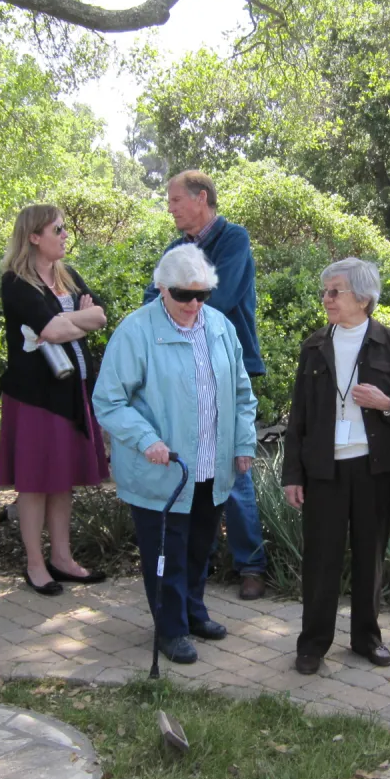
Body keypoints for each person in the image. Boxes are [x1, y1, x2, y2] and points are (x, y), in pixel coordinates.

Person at [95, 245, 258, 664]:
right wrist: (145, 439)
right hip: (163, 468)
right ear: (162, 288)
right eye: (184, 295)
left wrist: (242, 443)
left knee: (200, 546)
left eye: (202, 294)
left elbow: (242, 393)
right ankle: (170, 629)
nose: (194, 304)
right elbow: (109, 400)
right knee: (166, 552)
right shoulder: (136, 331)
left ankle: (193, 613)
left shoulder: (220, 327)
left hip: (212, 464)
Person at [282, 259, 390, 674]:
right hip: (324, 470)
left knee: (370, 557)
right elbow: (299, 417)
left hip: (374, 469)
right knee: (320, 560)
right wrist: (292, 475)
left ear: (363, 299)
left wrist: (387, 404)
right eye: (325, 291)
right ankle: (312, 644)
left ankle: (367, 639)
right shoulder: (314, 346)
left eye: (335, 291)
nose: (326, 299)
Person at [144, 170, 267, 599]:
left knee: (233, 466)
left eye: (176, 200)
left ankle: (251, 565)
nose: (170, 208)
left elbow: (223, 296)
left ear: (201, 198)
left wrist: (177, 300)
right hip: (180, 370)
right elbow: (150, 299)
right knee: (195, 465)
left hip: (227, 367)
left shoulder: (233, 240)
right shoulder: (175, 249)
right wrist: (173, 302)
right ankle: (201, 559)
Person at [0, 203, 111, 596]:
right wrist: (71, 323)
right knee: (35, 482)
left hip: (73, 389)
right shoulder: (16, 282)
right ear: (33, 236)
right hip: (35, 396)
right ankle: (35, 564)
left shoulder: (69, 275)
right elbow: (51, 330)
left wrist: (65, 324)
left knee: (62, 480)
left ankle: (62, 559)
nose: (65, 235)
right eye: (57, 229)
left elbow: (99, 317)